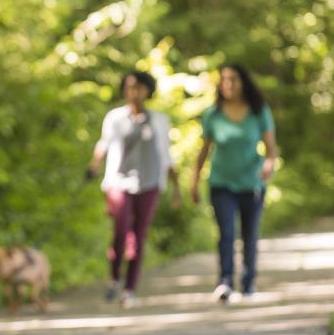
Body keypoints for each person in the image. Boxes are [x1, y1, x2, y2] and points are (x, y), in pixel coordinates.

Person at [87, 70, 180, 308]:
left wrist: (176, 185)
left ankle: (129, 289)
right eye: (130, 87)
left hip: (149, 182)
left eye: (139, 87)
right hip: (119, 182)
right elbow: (103, 144)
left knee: (138, 236)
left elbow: (166, 154)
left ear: (148, 90)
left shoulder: (159, 120)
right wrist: (94, 165)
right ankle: (115, 277)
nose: (134, 92)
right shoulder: (115, 118)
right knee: (120, 231)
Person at [190, 64, 278, 302]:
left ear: (244, 83)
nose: (228, 84)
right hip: (221, 183)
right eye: (224, 80)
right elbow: (203, 151)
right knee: (227, 233)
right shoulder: (213, 115)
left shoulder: (259, 112)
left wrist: (269, 166)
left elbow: (271, 150)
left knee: (250, 235)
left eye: (233, 79)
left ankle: (248, 283)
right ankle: (225, 281)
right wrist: (194, 179)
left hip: (252, 183)